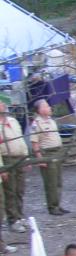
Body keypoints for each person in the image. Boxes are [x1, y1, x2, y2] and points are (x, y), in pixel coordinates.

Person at [29, 100, 66, 215]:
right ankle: (52, 206)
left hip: (57, 152)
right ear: (40, 110)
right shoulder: (36, 124)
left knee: (58, 180)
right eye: (46, 106)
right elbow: (35, 143)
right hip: (47, 155)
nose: (50, 107)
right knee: (51, 181)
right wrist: (40, 159)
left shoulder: (51, 120)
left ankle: (58, 204)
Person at [0, 98, 29, 233]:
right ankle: (13, 219)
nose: (3, 105)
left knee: (20, 189)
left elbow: (21, 139)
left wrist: (25, 156)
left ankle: (20, 215)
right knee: (10, 190)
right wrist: (2, 168)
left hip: (19, 158)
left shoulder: (13, 121)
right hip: (7, 159)